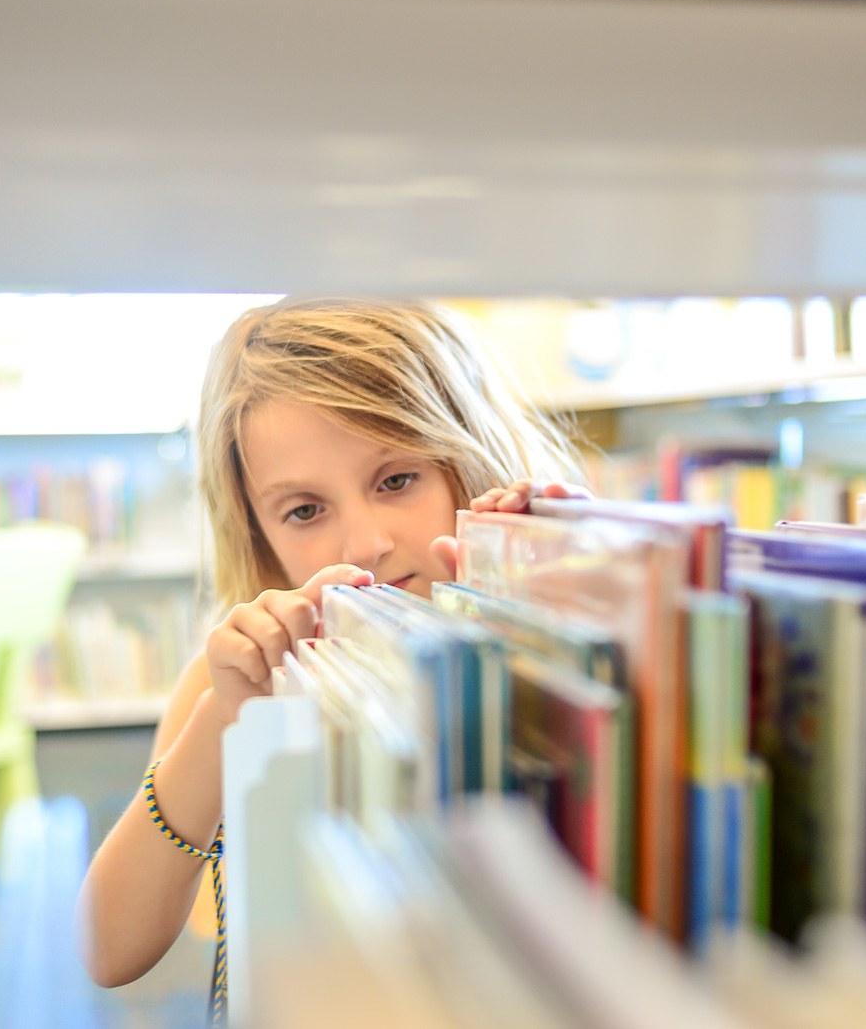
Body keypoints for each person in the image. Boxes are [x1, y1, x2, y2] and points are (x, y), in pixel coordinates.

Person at [75, 298, 590, 992]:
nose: (365, 544)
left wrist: (572, 591)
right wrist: (223, 721)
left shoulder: (538, 622)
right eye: (305, 510)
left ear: (470, 457)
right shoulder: (233, 682)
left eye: (397, 479)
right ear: (259, 534)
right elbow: (110, 951)